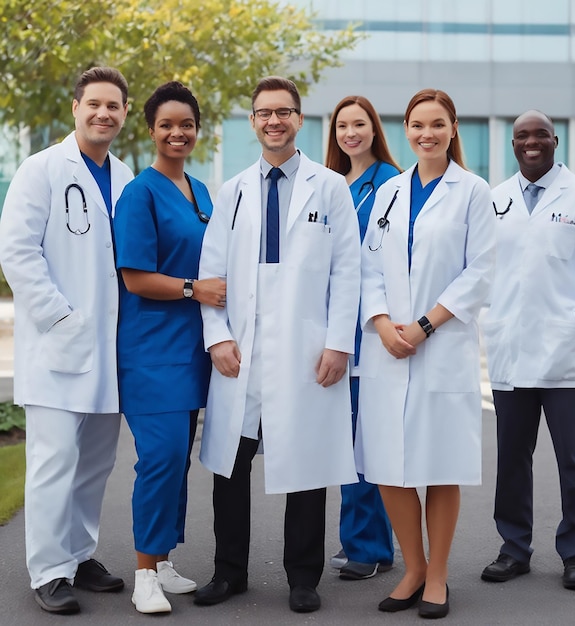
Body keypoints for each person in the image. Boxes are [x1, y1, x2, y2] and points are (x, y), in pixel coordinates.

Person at [195, 76, 361, 614]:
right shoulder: (233, 190)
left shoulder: (329, 187)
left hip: (306, 347)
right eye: (265, 113)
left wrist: (339, 343)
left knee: (306, 464)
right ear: (253, 121)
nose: (274, 121)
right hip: (242, 347)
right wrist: (217, 337)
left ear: (298, 120)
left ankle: (303, 577)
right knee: (231, 464)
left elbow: (349, 272)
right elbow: (211, 272)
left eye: (284, 112)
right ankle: (229, 572)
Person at [356, 88, 494, 619]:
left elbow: (480, 270)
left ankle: (437, 576)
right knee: (388, 464)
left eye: (437, 124)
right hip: (389, 346)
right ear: (406, 129)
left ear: (453, 128)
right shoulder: (389, 192)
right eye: (417, 125)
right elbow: (369, 268)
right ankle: (411, 567)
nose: (426, 134)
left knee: (439, 464)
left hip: (441, 344)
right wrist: (384, 323)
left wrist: (424, 326)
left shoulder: (472, 192)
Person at [0, 67, 133, 614]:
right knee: (54, 460)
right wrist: (62, 318)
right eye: (94, 103)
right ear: (75, 106)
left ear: (124, 114)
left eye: (114, 106)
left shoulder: (125, 176)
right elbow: (18, 253)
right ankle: (48, 569)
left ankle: (79, 555)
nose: (104, 113)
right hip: (60, 345)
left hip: (109, 349)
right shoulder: (41, 170)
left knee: (96, 462)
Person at [480, 110, 575, 591]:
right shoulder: (493, 200)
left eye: (540, 134)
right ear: (513, 145)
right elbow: (481, 266)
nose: (531, 142)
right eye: (522, 136)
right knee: (512, 457)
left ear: (555, 140)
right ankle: (514, 548)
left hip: (565, 352)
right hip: (510, 349)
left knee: (572, 457)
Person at [112, 81, 226, 614]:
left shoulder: (202, 192)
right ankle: (142, 575)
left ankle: (161, 561)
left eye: (187, 124)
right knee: (159, 459)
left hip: (191, 351)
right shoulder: (140, 193)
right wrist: (192, 289)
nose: (177, 133)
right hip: (150, 351)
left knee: (177, 460)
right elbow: (134, 277)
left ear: (197, 130)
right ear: (151, 130)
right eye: (167, 125)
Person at [325, 95, 400, 581]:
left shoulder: (390, 185)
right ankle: (361, 541)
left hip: (369, 329)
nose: (350, 133)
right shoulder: (330, 185)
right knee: (340, 442)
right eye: (342, 126)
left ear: (375, 129)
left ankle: (369, 547)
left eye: (360, 124)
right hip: (331, 326)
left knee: (363, 442)